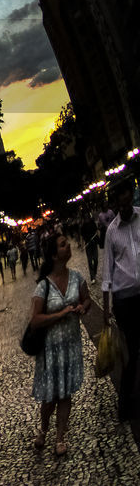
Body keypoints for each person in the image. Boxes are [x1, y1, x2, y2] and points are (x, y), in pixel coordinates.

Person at [29, 233, 90, 455]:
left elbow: (87, 299)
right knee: (50, 397)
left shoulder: (77, 278)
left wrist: (84, 307)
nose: (69, 246)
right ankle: (43, 430)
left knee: (65, 395)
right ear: (54, 255)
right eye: (63, 245)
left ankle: (60, 437)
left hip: (70, 348)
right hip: (50, 351)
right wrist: (61, 313)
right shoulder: (43, 287)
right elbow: (34, 320)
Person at [102, 182, 140, 425]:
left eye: (127, 202)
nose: (125, 207)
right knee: (133, 350)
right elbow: (107, 272)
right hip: (125, 301)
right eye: (120, 204)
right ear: (115, 204)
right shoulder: (111, 231)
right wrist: (105, 310)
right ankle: (124, 402)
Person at [82, 218, 100, 284]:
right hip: (88, 245)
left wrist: (98, 239)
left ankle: (94, 273)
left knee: (96, 259)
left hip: (94, 244)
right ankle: (92, 277)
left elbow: (97, 231)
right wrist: (82, 245)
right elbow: (82, 236)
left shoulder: (93, 223)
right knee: (90, 261)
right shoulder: (83, 226)